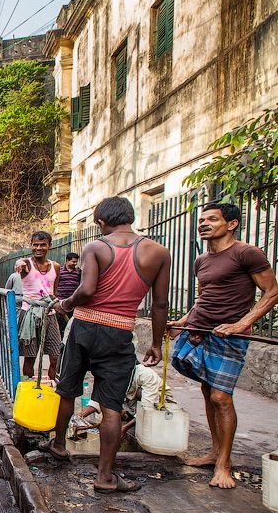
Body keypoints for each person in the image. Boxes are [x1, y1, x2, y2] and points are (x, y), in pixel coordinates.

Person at [46, 197, 170, 493]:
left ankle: (60, 446)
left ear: (102, 222)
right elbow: (161, 304)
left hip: (85, 327)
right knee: (111, 405)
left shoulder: (97, 247)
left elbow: (87, 290)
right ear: (130, 216)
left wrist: (65, 303)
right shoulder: (158, 252)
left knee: (68, 390)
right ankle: (104, 477)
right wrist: (155, 342)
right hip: (119, 332)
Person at [169, 202, 278, 489]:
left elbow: (272, 291)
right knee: (208, 390)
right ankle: (215, 451)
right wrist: (183, 320)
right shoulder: (201, 260)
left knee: (221, 397)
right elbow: (203, 299)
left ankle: (224, 464)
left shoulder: (246, 253)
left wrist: (242, 324)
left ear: (231, 224)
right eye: (202, 219)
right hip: (200, 331)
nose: (203, 223)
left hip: (230, 336)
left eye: (212, 219)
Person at [16, 231, 61, 381]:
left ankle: (52, 389)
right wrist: (19, 264)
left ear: (49, 246)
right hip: (29, 314)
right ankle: (28, 389)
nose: (38, 248)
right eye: (35, 245)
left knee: (55, 355)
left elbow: (53, 293)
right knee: (30, 357)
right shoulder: (27, 264)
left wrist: (60, 305)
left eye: (43, 245)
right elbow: (20, 263)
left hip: (49, 314)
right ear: (31, 246)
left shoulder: (55, 267)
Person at [73, 362, 174, 428]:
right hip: (132, 407)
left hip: (160, 409)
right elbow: (101, 398)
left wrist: (124, 429)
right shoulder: (113, 374)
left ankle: (133, 426)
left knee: (137, 395)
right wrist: (80, 415)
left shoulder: (145, 375)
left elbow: (146, 407)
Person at [55, 252, 81, 337]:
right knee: (59, 324)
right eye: (73, 261)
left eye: (76, 262)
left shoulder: (78, 272)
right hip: (61, 302)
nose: (75, 263)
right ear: (67, 260)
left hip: (72, 303)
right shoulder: (60, 271)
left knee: (70, 323)